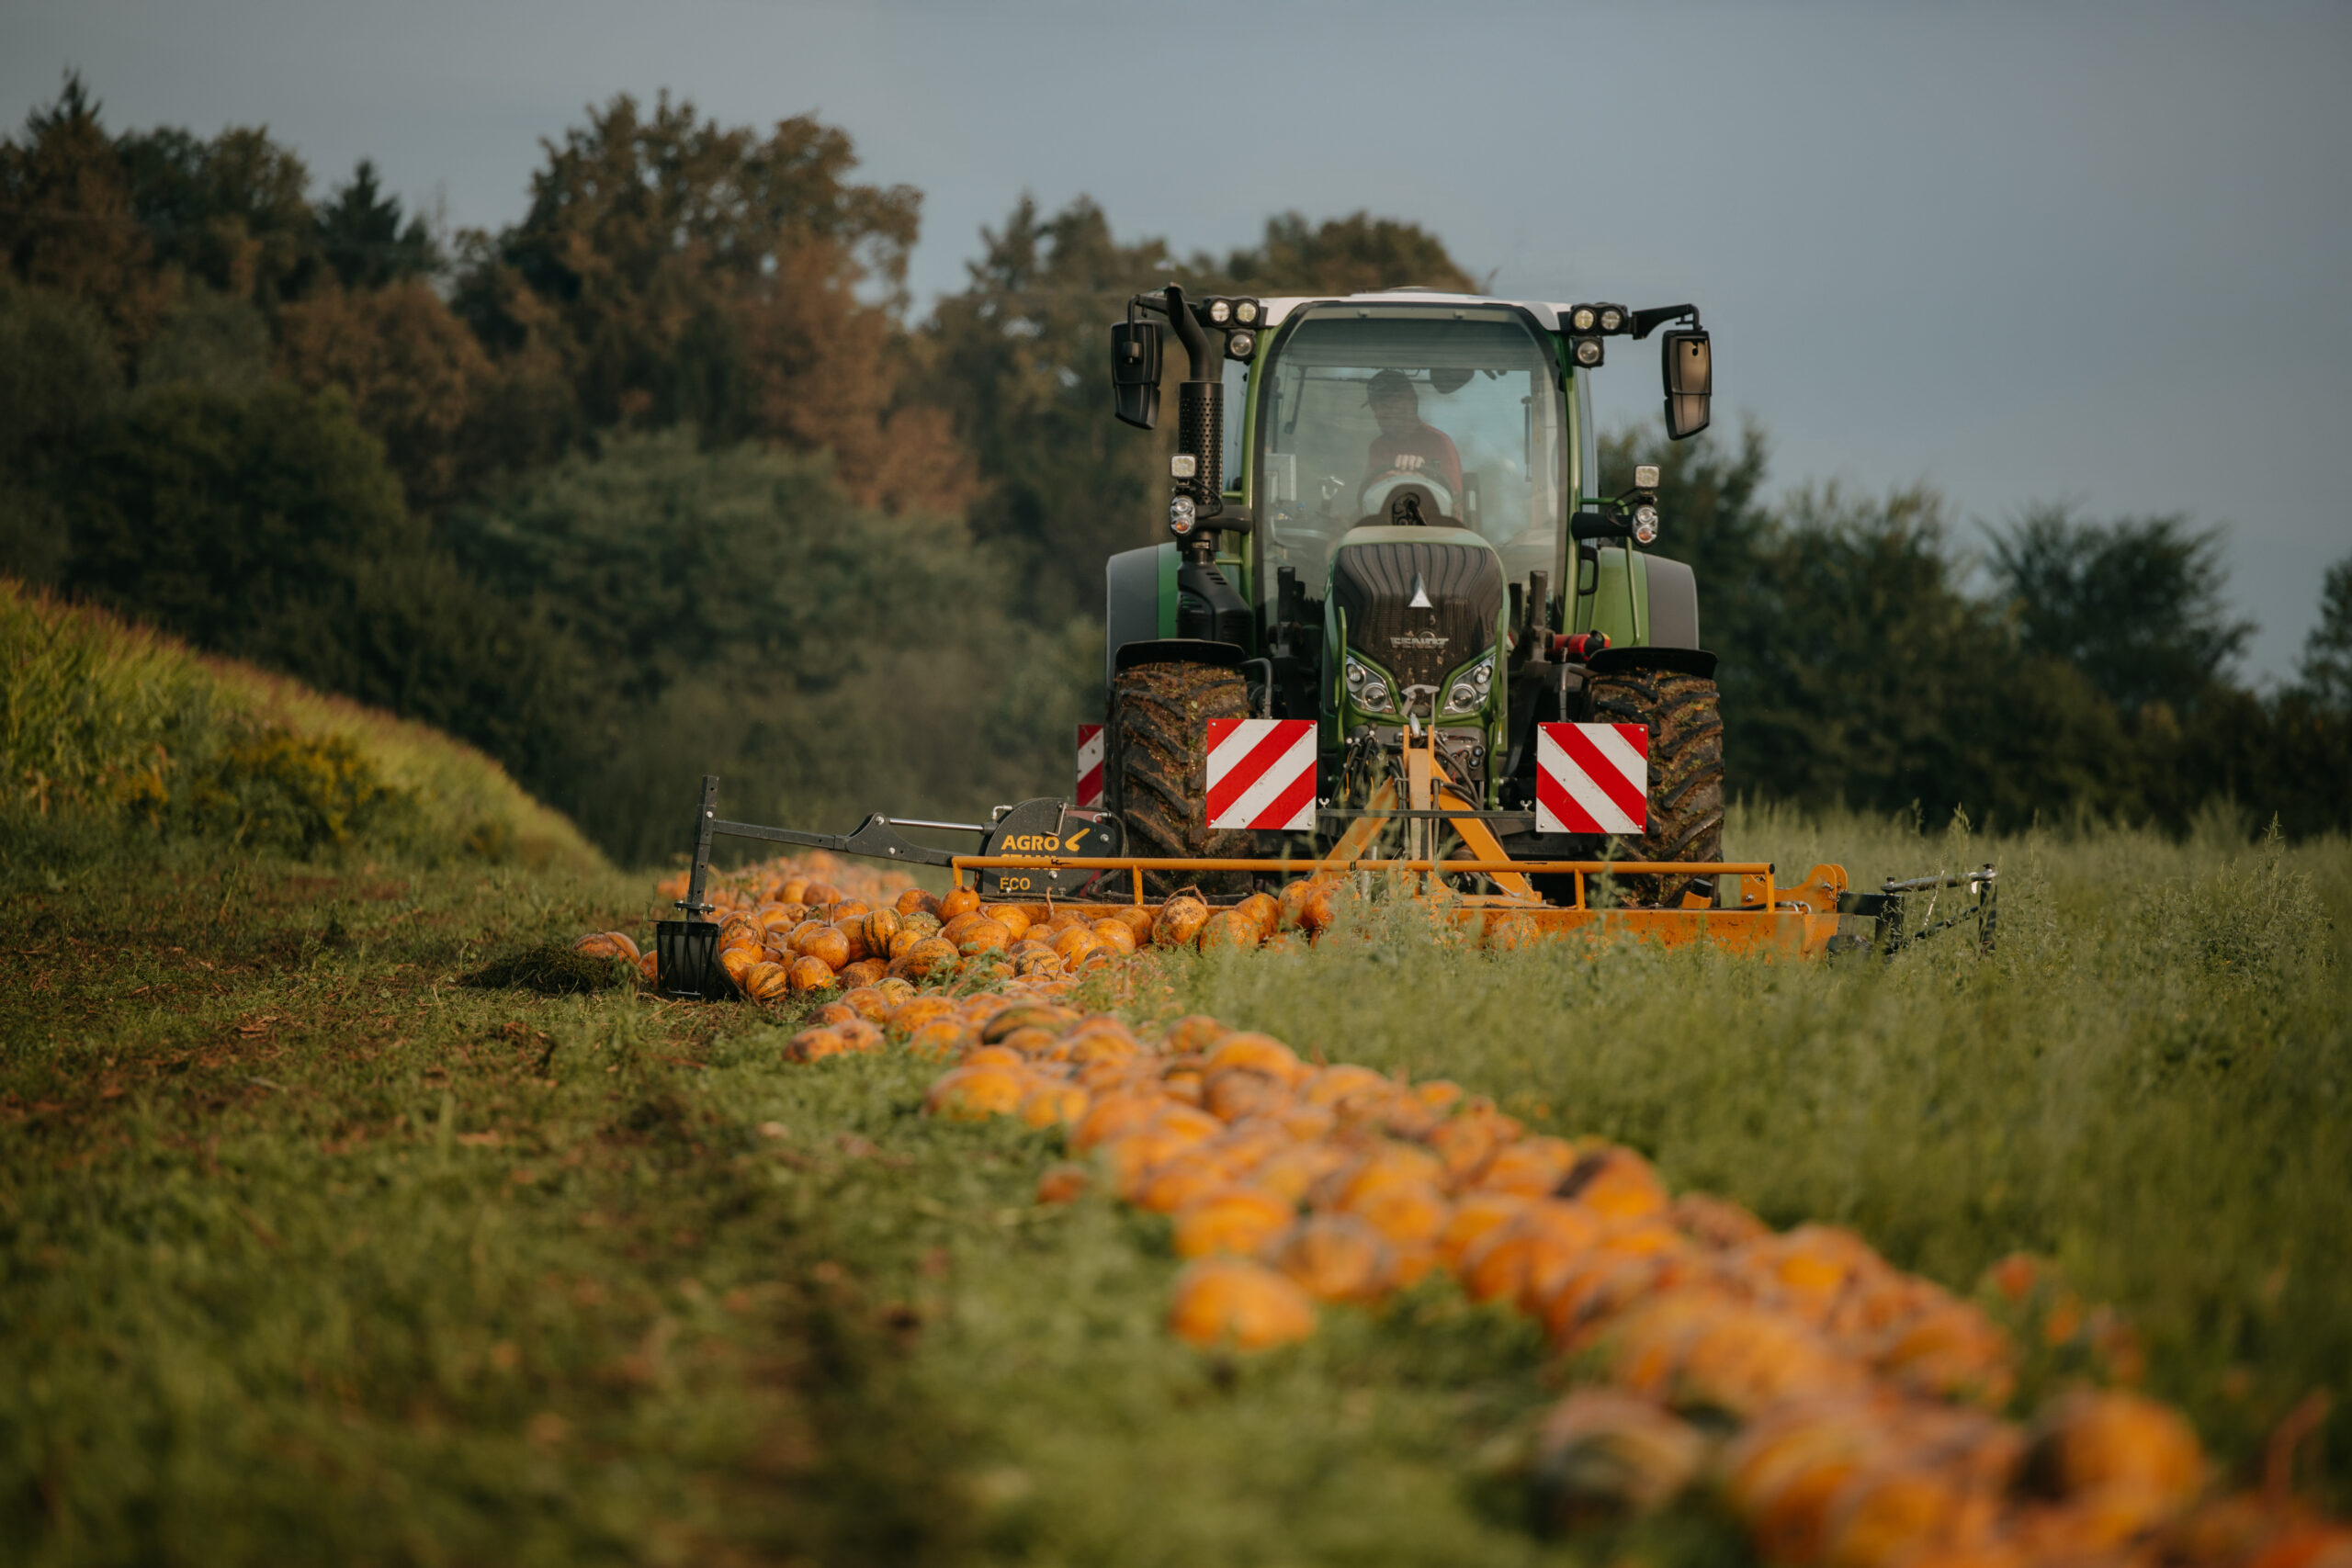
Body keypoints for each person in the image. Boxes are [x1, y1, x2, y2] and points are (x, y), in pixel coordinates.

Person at [1363, 369, 1464, 508]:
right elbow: (1368, 504)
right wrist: (1346, 524)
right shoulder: (1378, 447)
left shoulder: (1438, 443)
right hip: (1382, 529)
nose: (1379, 413)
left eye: (1386, 405)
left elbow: (1454, 508)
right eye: (1375, 407)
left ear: (1411, 402)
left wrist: (1418, 478)